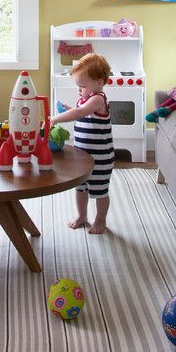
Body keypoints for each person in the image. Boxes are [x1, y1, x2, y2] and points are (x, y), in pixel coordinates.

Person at [50, 52, 113, 234]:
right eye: (77, 86)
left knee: (100, 191)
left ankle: (100, 221)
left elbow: (79, 113)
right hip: (83, 155)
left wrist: (56, 118)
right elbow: (79, 111)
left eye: (82, 86)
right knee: (80, 188)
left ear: (99, 82)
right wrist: (69, 109)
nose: (79, 90)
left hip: (100, 158)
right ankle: (82, 216)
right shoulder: (87, 99)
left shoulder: (98, 99)